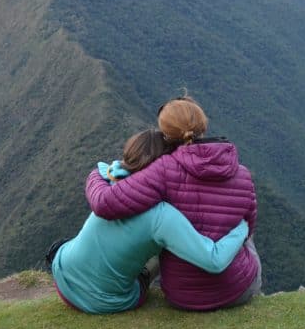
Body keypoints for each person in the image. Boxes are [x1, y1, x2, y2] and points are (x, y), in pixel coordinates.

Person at [86, 96, 261, 310]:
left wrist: (97, 174)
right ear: (203, 125)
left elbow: (104, 203)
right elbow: (249, 226)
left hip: (184, 297)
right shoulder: (242, 174)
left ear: (166, 135)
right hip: (237, 291)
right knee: (244, 233)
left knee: (159, 228)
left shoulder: (163, 169)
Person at [51, 129, 249, 314]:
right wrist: (241, 228)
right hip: (107, 301)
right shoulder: (162, 216)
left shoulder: (111, 179)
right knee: (170, 244)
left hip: (61, 273)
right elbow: (213, 261)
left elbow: (101, 169)